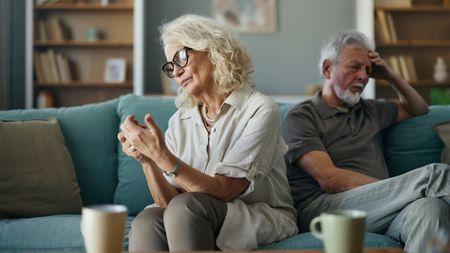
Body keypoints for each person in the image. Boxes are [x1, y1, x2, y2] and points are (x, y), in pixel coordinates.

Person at [117, 14, 298, 252]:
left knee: (186, 207)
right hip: (193, 215)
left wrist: (162, 156)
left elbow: (226, 190)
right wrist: (147, 159)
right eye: (171, 66)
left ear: (213, 50)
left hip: (259, 214)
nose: (177, 72)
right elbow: (168, 203)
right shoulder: (180, 121)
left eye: (181, 57)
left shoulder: (260, 109)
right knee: (147, 221)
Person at [282, 30, 450, 253]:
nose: (363, 76)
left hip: (384, 209)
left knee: (430, 208)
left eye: (369, 70)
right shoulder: (302, 117)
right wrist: (392, 190)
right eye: (355, 67)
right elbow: (329, 179)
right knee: (436, 175)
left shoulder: (370, 110)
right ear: (327, 68)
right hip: (327, 209)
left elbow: (418, 108)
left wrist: (390, 75)